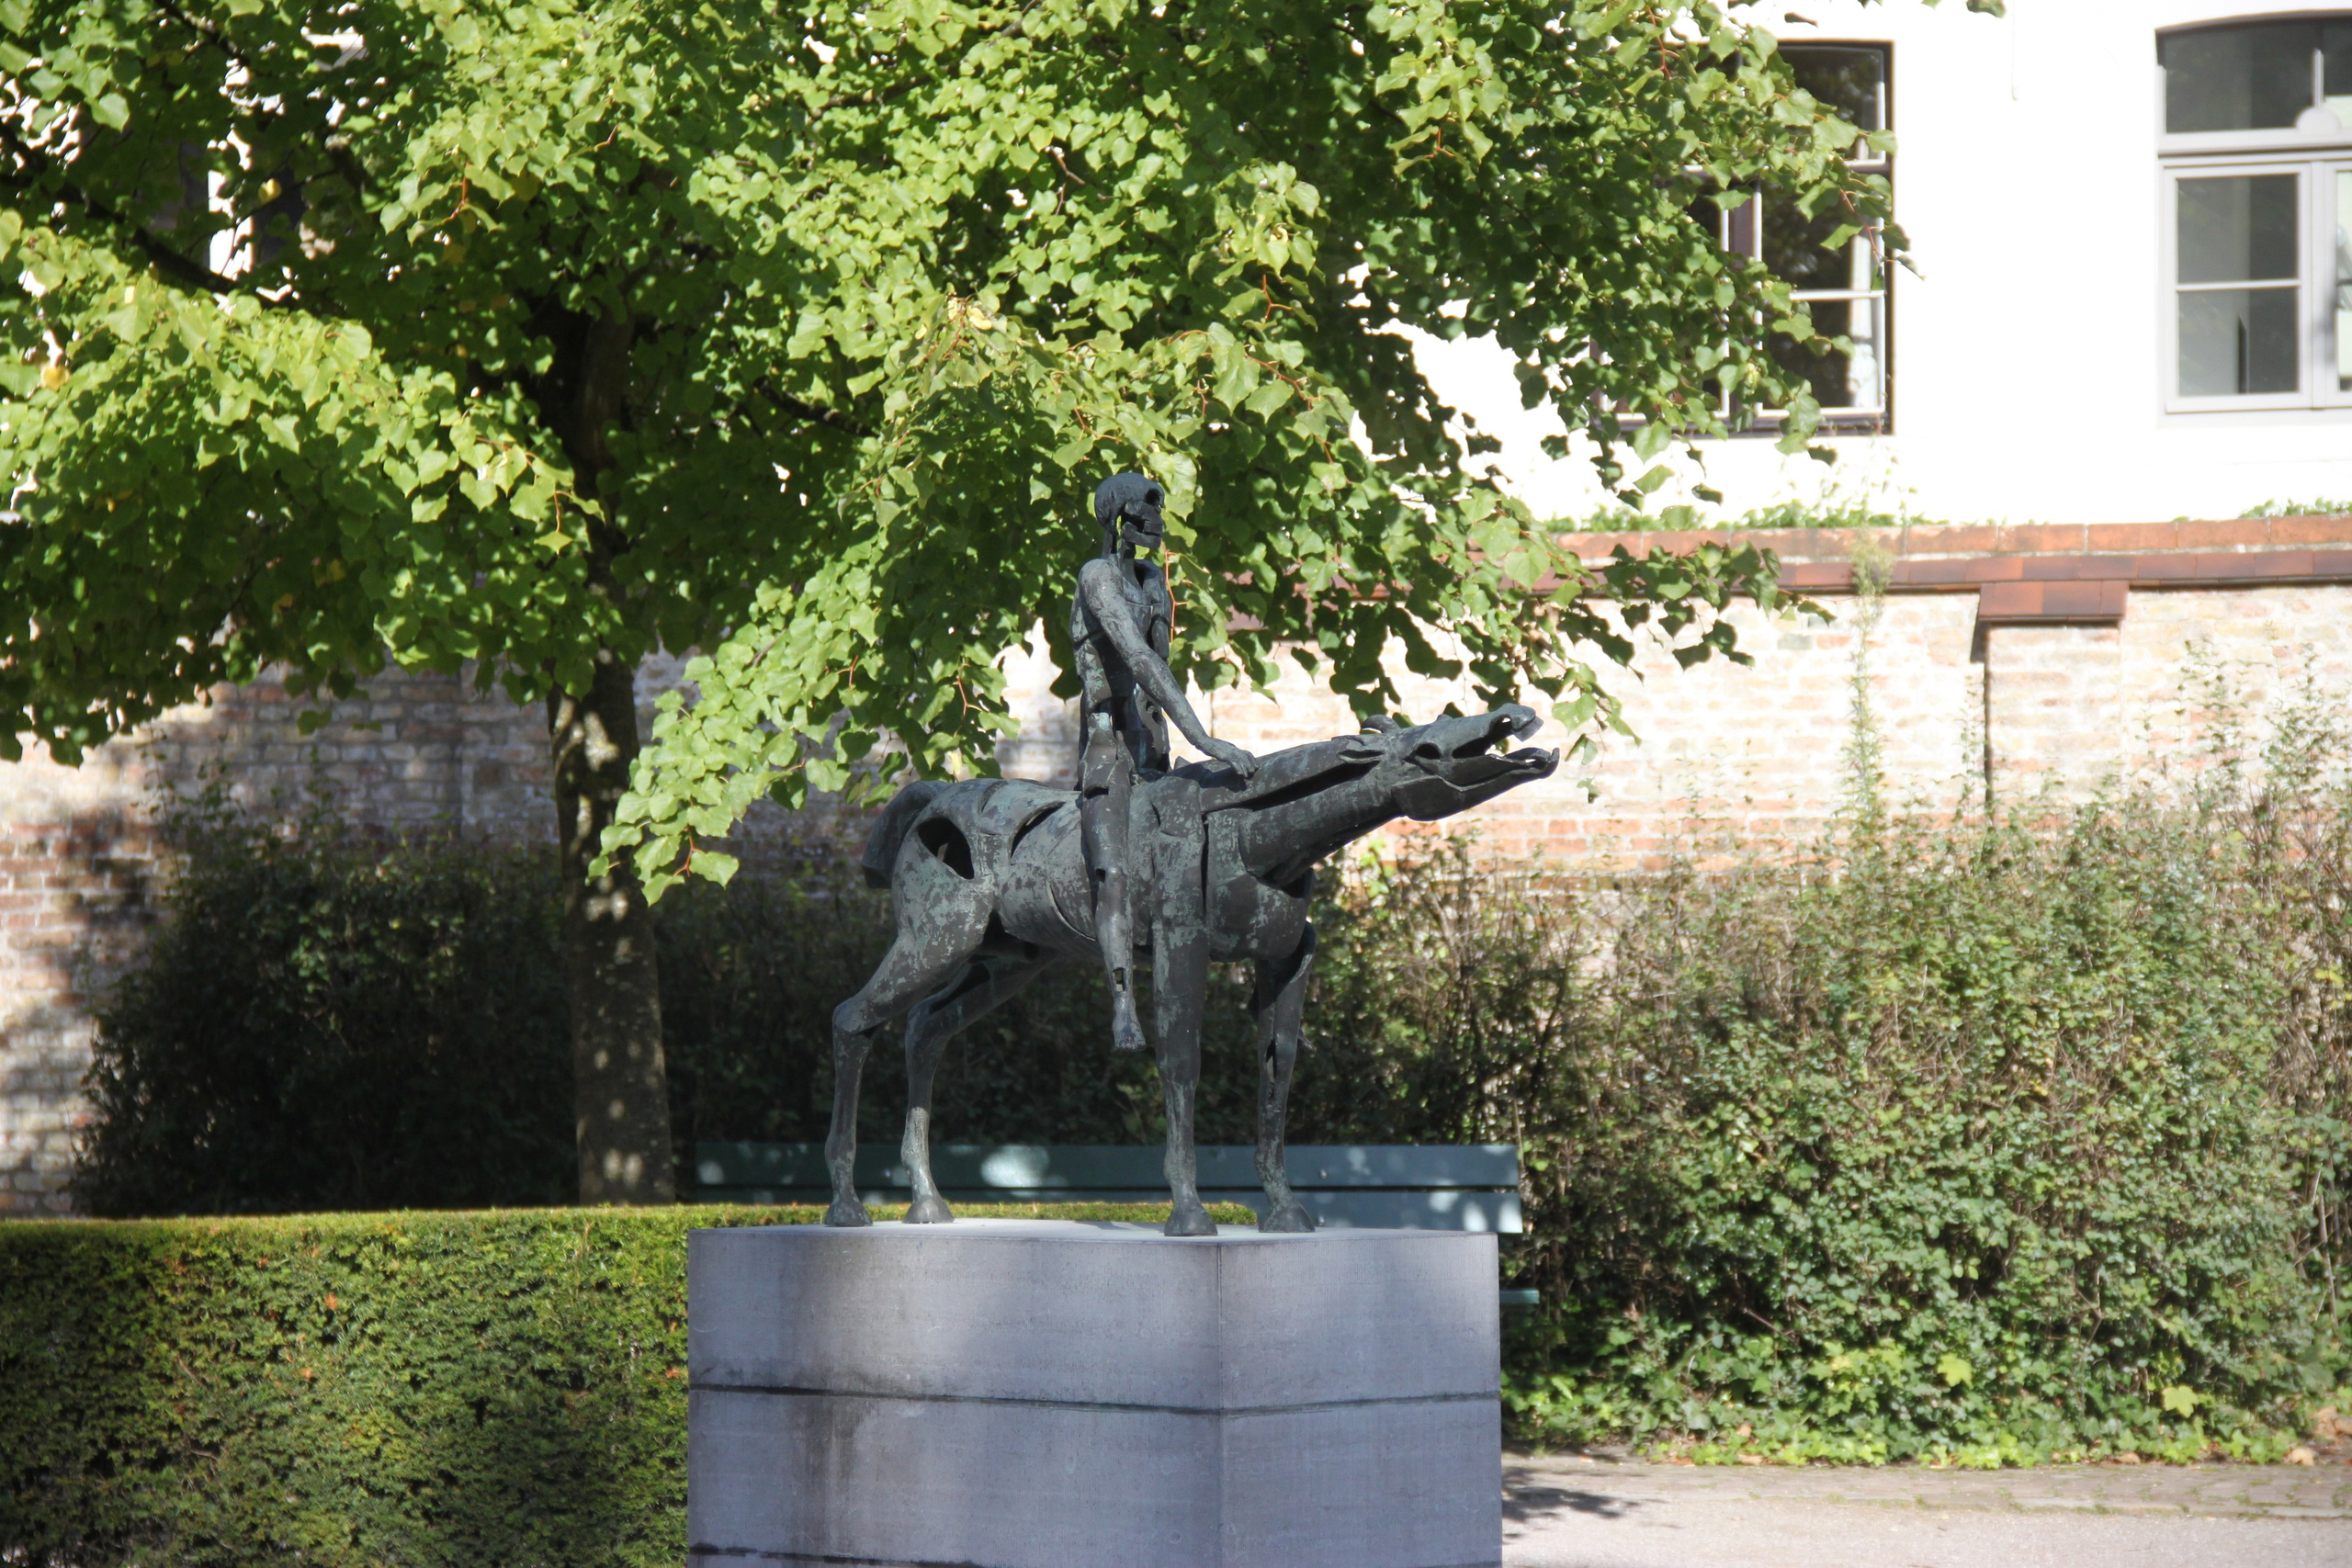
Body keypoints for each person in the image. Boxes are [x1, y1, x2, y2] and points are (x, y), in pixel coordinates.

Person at [1071, 472, 1257, 1052]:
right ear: (1115, 517)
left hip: (1154, 747)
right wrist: (1206, 738)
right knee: (1113, 872)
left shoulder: (1155, 581)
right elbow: (1137, 660)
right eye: (1142, 508)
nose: (1155, 520)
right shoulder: (1097, 576)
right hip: (1108, 749)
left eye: (1158, 507)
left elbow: (1159, 671)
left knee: (1220, 842)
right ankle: (1123, 1005)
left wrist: (1180, 749)